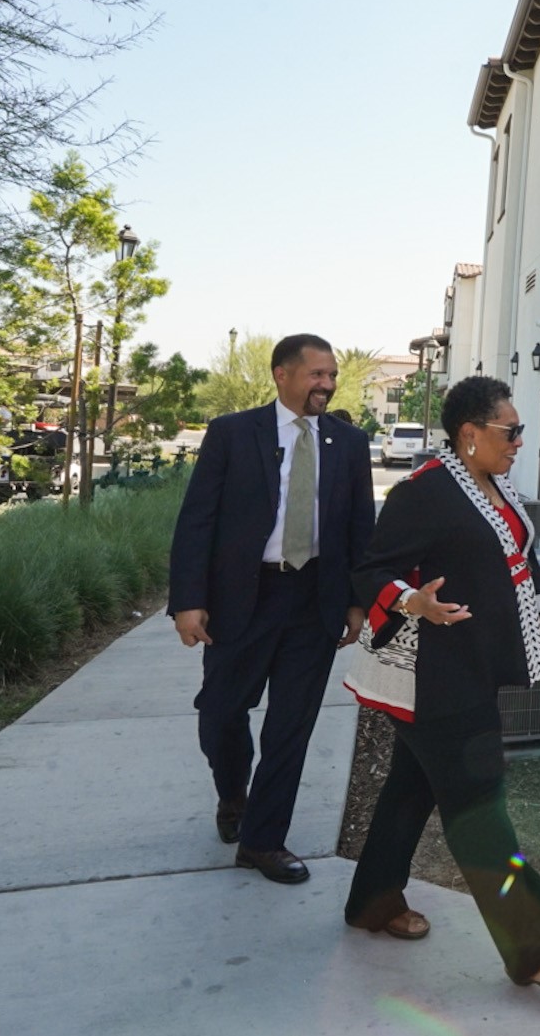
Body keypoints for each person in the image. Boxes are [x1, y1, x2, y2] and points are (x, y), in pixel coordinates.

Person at [340, 376, 540, 991]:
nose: (521, 443)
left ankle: (372, 900)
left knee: (410, 789)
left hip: (473, 670)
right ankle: (534, 947)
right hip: (434, 681)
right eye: (512, 431)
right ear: (470, 434)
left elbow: (525, 562)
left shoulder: (497, 488)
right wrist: (414, 601)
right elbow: (370, 569)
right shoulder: (423, 493)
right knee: (478, 805)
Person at [167, 334, 375, 884]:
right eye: (316, 375)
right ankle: (234, 794)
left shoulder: (348, 444)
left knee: (292, 725)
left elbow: (360, 529)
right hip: (243, 598)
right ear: (282, 374)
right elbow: (197, 521)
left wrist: (357, 602)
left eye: (331, 376)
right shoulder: (233, 433)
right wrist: (188, 601)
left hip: (315, 600)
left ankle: (263, 840)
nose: (327, 385)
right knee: (220, 712)